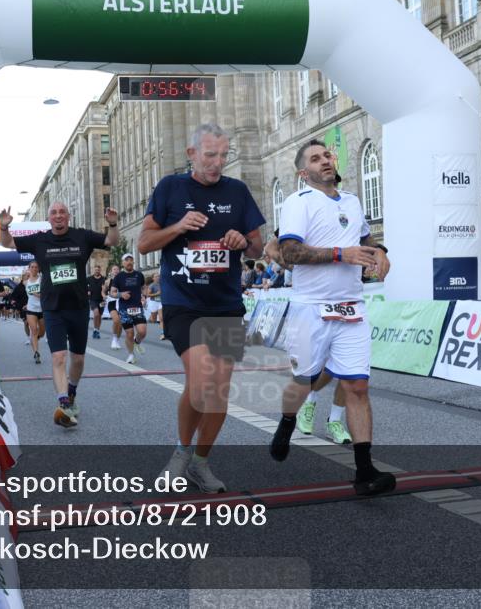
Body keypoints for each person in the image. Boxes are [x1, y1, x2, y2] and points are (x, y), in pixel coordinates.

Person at [138, 123, 265, 493]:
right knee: (199, 382)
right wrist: (178, 227)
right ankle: (180, 452)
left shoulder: (237, 191)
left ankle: (200, 463)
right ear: (192, 154)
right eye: (211, 155)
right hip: (184, 303)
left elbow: (258, 248)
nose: (218, 163)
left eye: (224, 155)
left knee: (218, 392)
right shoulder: (170, 188)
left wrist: (243, 241)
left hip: (225, 305)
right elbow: (144, 244)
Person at [268, 138, 396, 497]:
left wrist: (381, 253)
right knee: (303, 381)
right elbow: (290, 252)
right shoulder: (298, 202)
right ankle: (288, 420)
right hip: (311, 307)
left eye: (327, 155)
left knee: (357, 386)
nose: (325, 161)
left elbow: (367, 240)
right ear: (303, 172)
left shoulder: (353, 202)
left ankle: (365, 471)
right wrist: (342, 254)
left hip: (350, 306)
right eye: (315, 158)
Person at [0, 201, 119, 428]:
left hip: (78, 307)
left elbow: (112, 240)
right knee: (58, 357)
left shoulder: (81, 236)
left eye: (62, 212)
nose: (58, 216)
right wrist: (4, 227)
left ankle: (71, 391)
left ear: (68, 216)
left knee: (78, 358)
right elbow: (7, 243)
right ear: (49, 218)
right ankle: (63, 404)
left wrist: (112, 223)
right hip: (52, 308)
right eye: (54, 213)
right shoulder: (39, 239)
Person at [264, 232, 357, 445]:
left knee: (348, 369)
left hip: (347, 298)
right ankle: (309, 401)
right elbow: (270, 248)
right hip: (312, 302)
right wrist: (297, 268)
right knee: (317, 368)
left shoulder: (348, 208)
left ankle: (335, 420)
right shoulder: (302, 208)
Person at [113, 253, 148, 364]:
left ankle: (136, 343)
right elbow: (112, 293)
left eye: (131, 260)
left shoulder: (139, 275)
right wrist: (121, 294)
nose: (129, 262)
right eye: (126, 260)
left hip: (137, 307)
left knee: (142, 332)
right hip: (124, 309)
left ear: (133, 262)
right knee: (129, 333)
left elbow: (143, 288)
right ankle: (131, 355)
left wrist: (144, 297)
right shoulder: (119, 277)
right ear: (123, 263)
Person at [20, 261, 45, 364]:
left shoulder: (42, 279)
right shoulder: (25, 282)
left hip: (43, 309)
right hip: (31, 309)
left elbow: (46, 295)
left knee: (42, 333)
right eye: (32, 267)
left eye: (36, 267)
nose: (34, 269)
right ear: (29, 268)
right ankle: (36, 353)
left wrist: (37, 295)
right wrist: (26, 303)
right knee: (34, 330)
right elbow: (27, 295)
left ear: (38, 269)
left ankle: (36, 338)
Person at [103, 265, 123, 349]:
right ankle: (114, 339)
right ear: (111, 271)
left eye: (117, 269)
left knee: (121, 324)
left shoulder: (123, 280)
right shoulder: (108, 281)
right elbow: (103, 291)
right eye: (114, 269)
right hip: (112, 302)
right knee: (116, 321)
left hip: (122, 302)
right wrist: (104, 296)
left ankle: (117, 339)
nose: (116, 270)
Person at [87, 264, 106, 340]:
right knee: (96, 313)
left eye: (98, 270)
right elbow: (84, 287)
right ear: (93, 270)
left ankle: (97, 330)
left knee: (99, 316)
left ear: (100, 270)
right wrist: (87, 291)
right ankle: (95, 330)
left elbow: (106, 288)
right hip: (92, 299)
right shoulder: (89, 279)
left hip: (102, 300)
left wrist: (105, 293)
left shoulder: (104, 279)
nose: (97, 271)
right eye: (95, 269)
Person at [146, 273, 165, 339]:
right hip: (153, 302)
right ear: (153, 278)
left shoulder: (163, 284)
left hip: (161, 302)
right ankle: (150, 319)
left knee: (161, 318)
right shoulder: (152, 285)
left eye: (158, 276)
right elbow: (148, 295)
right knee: (153, 320)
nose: (158, 277)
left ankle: (163, 333)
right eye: (156, 276)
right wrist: (156, 294)